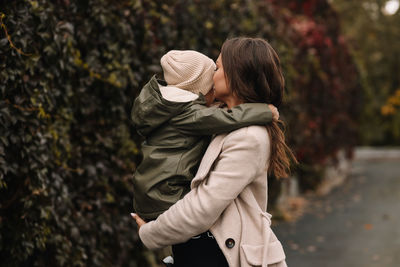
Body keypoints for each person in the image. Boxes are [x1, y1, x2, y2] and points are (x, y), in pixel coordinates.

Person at [132, 37, 297, 267]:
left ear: (236, 75)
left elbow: (203, 206)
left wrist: (151, 233)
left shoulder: (248, 136)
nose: (212, 74)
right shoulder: (214, 120)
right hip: (205, 250)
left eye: (218, 67)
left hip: (221, 255)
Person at [131, 50, 279, 221]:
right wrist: (263, 111)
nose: (215, 82)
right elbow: (226, 118)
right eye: (210, 86)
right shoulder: (189, 114)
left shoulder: (170, 108)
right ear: (199, 91)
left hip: (151, 190)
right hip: (168, 194)